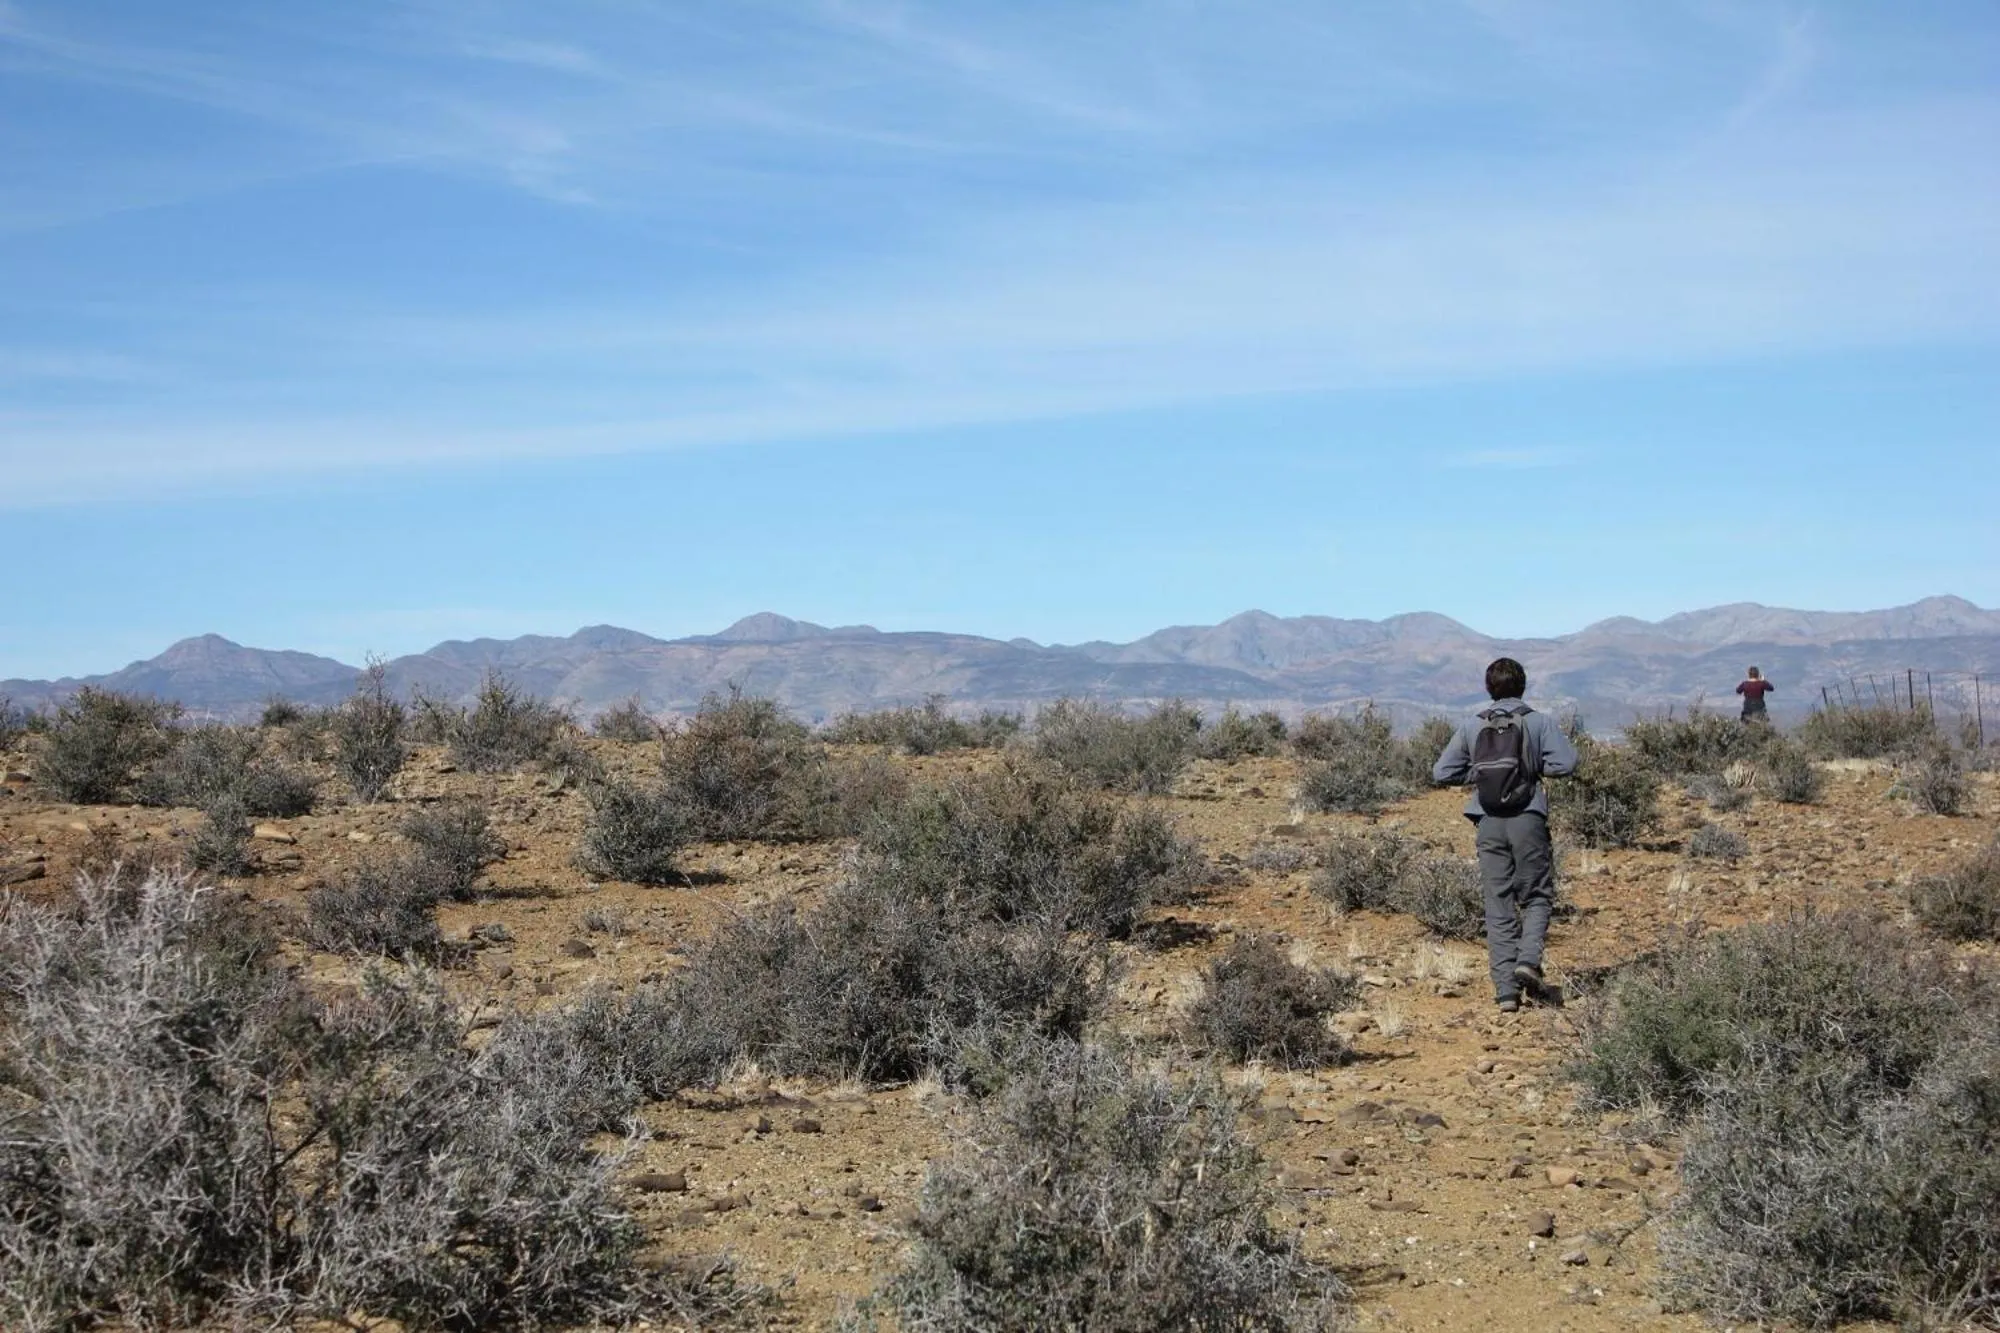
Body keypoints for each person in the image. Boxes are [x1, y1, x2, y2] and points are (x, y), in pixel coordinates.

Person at [1431, 657, 1578, 1014]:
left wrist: (1481, 776)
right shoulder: (1539, 722)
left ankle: (1506, 994)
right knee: (1538, 896)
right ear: (1523, 686)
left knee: (1498, 906)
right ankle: (1528, 960)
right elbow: (1567, 763)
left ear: (1489, 688)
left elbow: (1441, 771)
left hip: (1489, 820)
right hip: (1527, 817)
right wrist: (1530, 769)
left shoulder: (1472, 726)